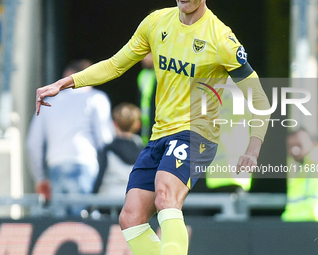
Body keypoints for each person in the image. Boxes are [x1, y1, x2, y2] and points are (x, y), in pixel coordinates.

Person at [35, 1, 271, 254]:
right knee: (130, 217)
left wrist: (253, 147)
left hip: (197, 133)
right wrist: (66, 83)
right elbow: (115, 64)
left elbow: (259, 99)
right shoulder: (156, 22)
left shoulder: (221, 38)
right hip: (160, 134)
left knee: (165, 194)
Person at [27, 59, 114, 217]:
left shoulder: (48, 102)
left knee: (60, 225)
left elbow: (33, 143)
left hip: (55, 166)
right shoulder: (96, 98)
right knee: (84, 223)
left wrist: (40, 178)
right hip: (85, 164)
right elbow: (106, 140)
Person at [282, 129, 318, 222]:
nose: (294, 150)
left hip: (317, 228)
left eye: (299, 145)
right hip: (307, 228)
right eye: (290, 146)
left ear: (314, 144)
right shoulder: (303, 171)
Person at [93, 102, 144, 198]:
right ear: (137, 125)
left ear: (114, 124)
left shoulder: (108, 150)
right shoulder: (144, 151)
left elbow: (100, 179)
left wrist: (89, 206)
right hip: (134, 199)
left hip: (110, 201)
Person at [137, 53, 157, 145]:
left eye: (147, 56)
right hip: (143, 121)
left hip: (156, 120)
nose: (143, 59)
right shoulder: (142, 74)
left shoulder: (161, 75)